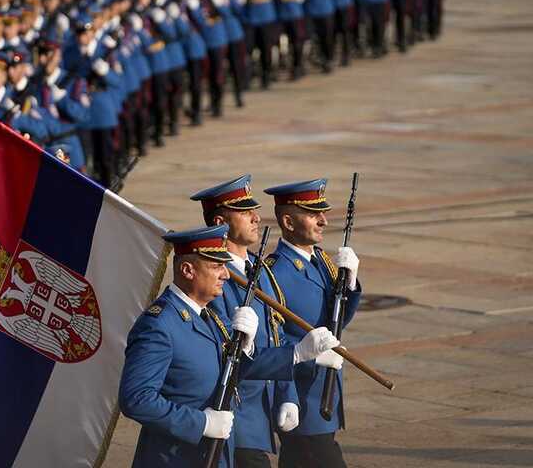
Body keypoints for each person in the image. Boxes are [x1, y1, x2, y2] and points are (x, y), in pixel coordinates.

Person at [119, 224, 340, 468]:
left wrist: (296, 354)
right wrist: (200, 423)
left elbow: (237, 368)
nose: (225, 274)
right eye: (216, 267)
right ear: (188, 270)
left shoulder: (208, 317)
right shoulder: (159, 325)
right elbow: (136, 399)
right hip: (175, 459)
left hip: (219, 454)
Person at [191, 175, 340, 468]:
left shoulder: (258, 270)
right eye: (245, 212)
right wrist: (297, 355)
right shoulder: (214, 280)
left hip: (261, 413)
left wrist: (288, 394)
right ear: (220, 221)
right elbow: (227, 355)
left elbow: (276, 335)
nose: (256, 218)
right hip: (236, 413)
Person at [262, 179, 362, 468]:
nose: (324, 220)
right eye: (313, 214)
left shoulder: (320, 261)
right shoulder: (275, 272)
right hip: (301, 396)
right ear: (288, 222)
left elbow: (337, 321)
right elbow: (272, 341)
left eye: (323, 212)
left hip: (323, 395)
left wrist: (350, 285)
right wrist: (311, 357)